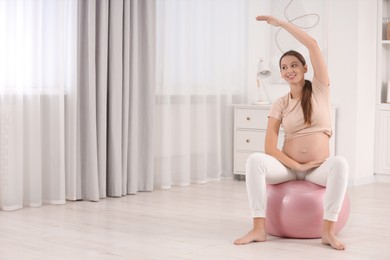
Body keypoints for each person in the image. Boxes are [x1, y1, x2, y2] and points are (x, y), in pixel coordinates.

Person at [233, 15, 349, 250]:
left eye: (294, 65)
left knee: (341, 163)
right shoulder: (280, 103)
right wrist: (297, 166)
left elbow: (313, 45)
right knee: (255, 160)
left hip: (318, 169)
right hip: (288, 169)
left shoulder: (319, 89)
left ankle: (327, 231)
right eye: (284, 68)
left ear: (305, 68)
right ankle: (258, 228)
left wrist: (282, 24)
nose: (289, 70)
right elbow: (270, 147)